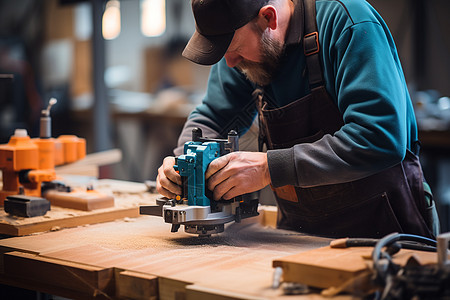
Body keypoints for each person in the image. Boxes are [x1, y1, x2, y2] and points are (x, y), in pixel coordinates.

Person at [156, 0, 440, 239]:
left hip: (385, 232)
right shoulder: (242, 48)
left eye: (235, 49)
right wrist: (182, 164)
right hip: (300, 235)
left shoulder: (349, 24)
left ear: (269, 18)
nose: (229, 63)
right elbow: (214, 116)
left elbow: (380, 137)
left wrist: (269, 168)